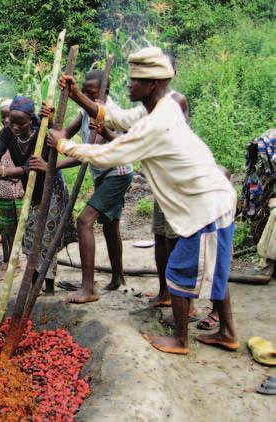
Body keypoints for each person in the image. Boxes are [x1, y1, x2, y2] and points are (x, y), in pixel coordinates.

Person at [47, 47, 238, 355]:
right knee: (214, 270)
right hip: (208, 201)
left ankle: (180, 340)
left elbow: (114, 152)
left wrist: (65, 145)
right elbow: (117, 117)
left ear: (152, 84)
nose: (129, 85)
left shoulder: (158, 121)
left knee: (178, 271)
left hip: (206, 207)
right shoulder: (159, 107)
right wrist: (76, 97)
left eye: (135, 81)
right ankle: (227, 333)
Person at [0, 96, 77, 295]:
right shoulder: (7, 133)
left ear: (30, 120)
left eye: (20, 123)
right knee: (30, 238)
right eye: (11, 121)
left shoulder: (43, 135)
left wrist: (1, 172)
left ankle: (48, 287)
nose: (14, 126)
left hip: (52, 192)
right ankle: (35, 284)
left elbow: (29, 168)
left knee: (45, 240)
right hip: (32, 193)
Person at [59, 70, 133, 303]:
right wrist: (49, 122)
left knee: (84, 221)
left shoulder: (111, 113)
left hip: (117, 173)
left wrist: (56, 163)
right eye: (84, 92)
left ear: (105, 93)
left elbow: (91, 153)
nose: (85, 97)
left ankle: (88, 288)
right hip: (103, 175)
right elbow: (64, 134)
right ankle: (118, 277)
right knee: (110, 226)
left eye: (90, 94)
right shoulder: (85, 110)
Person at [149, 54, 190, 308]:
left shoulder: (177, 101)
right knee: (160, 237)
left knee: (175, 238)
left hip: (176, 180)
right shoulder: (150, 102)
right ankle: (165, 291)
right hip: (160, 180)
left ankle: (183, 298)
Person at [0, 99, 24, 264]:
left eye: (9, 116)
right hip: (3, 188)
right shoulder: (0, 136)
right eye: (3, 117)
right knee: (8, 227)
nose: (6, 120)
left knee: (22, 225)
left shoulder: (24, 134)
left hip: (21, 188)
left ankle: (20, 257)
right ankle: (11, 259)